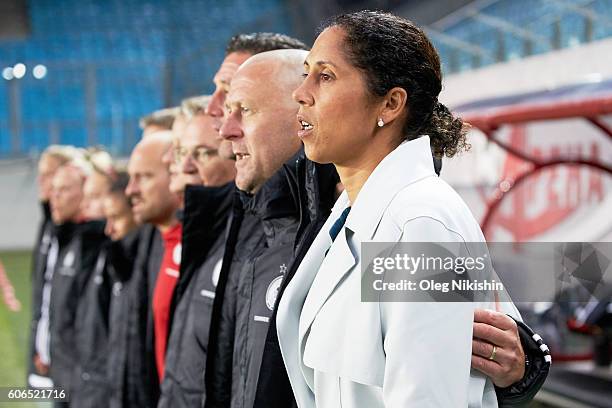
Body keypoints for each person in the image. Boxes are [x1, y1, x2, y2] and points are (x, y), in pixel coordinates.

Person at [277, 11, 534, 407]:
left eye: (325, 76)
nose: (301, 92)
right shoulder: (350, 213)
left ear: (391, 103)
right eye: (306, 73)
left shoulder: (420, 224)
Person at [158, 97, 237, 408]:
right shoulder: (202, 232)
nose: (181, 164)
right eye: (181, 152)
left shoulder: (398, 212)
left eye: (203, 152)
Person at [47, 160, 107, 406]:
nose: (55, 197)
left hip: (84, 384)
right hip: (63, 377)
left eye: (64, 190)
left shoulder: (99, 246)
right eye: (54, 189)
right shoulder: (69, 239)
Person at [28, 145, 77, 389]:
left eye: (48, 174)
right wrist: (40, 347)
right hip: (45, 356)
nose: (41, 181)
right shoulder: (48, 225)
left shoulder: (74, 234)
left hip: (66, 366)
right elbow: (42, 298)